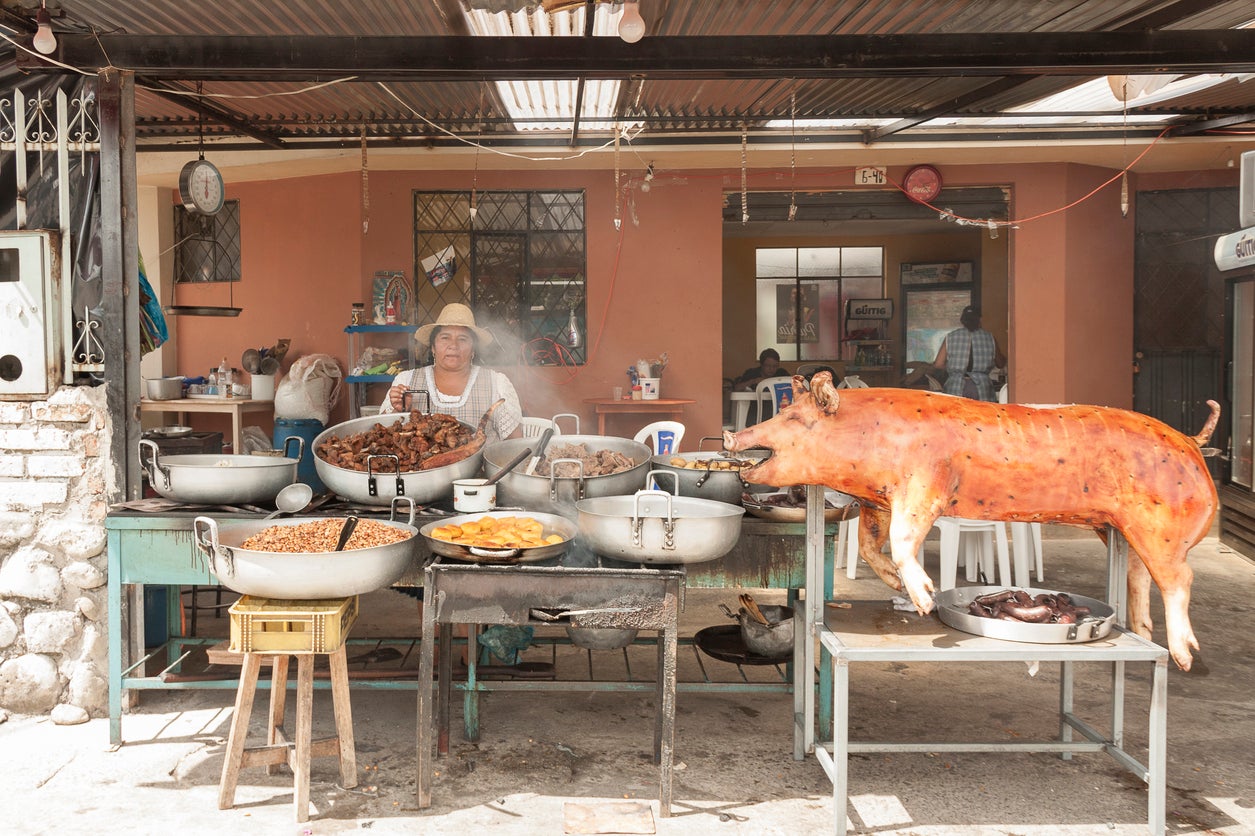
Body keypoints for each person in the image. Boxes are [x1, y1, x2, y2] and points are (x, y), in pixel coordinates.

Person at [380, 302, 522, 440]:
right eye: (445, 338)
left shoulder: (496, 383)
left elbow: (516, 443)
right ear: (433, 347)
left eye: (462, 339)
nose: (453, 346)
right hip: (423, 464)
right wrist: (398, 409)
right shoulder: (406, 381)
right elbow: (382, 435)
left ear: (473, 350)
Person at [931, 305, 1006, 401]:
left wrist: (953, 368)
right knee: (981, 414)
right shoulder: (990, 338)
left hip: (956, 386)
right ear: (979, 319)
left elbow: (938, 364)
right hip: (982, 388)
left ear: (962, 320)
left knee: (956, 415)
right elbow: (1000, 364)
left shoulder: (950, 337)